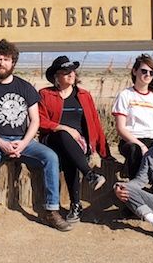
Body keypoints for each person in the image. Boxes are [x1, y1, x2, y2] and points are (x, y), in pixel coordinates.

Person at [0, 39, 72, 237]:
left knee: (50, 157)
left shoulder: (25, 88)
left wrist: (23, 143)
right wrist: (2, 143)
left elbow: (35, 120)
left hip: (22, 140)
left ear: (13, 63)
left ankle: (51, 210)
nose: (1, 63)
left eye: (6, 59)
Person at [37, 55, 108, 223]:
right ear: (56, 76)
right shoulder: (45, 94)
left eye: (72, 71)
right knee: (63, 136)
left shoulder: (83, 95)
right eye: (65, 72)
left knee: (69, 152)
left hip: (78, 144)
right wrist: (64, 128)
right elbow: (40, 120)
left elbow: (95, 123)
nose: (70, 74)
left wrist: (103, 151)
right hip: (51, 140)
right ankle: (89, 176)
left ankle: (76, 205)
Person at [112, 53, 153, 179]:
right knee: (135, 150)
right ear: (134, 71)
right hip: (131, 140)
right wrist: (141, 146)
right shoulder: (125, 95)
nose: (147, 75)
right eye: (144, 71)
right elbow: (121, 128)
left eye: (151, 72)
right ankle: (135, 188)